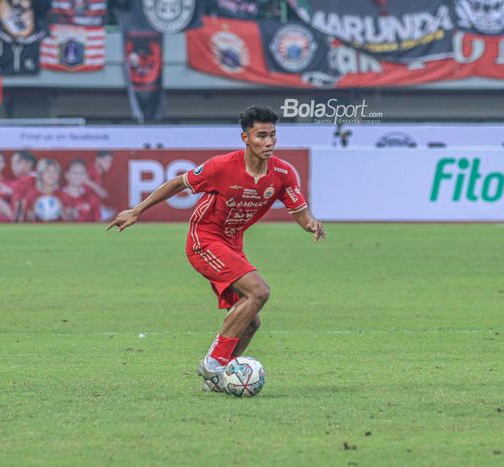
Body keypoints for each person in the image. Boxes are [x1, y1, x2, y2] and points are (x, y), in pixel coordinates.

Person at [107, 105, 325, 392]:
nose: (269, 142)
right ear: (245, 138)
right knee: (259, 291)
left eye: (273, 135)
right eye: (261, 136)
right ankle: (214, 362)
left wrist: (310, 224)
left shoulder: (283, 173)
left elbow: (300, 212)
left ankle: (217, 380)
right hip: (204, 240)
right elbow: (177, 183)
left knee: (250, 322)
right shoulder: (222, 166)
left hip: (233, 244)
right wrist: (137, 210)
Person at [21, 158, 66, 222]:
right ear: (41, 174)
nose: (52, 174)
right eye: (48, 171)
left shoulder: (64, 195)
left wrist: (62, 209)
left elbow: (72, 222)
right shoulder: (31, 195)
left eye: (55, 171)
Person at [86, 150, 115, 220]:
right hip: (84, 207)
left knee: (113, 213)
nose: (109, 164)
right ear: (98, 159)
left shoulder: (98, 173)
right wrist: (100, 191)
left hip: (92, 205)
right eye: (107, 161)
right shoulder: (89, 170)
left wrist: (104, 208)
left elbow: (94, 197)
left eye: (110, 162)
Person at [10, 150, 37, 222]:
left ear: (29, 163)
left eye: (16, 163)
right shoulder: (41, 178)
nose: (13, 167)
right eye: (12, 163)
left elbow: (19, 208)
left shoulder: (22, 181)